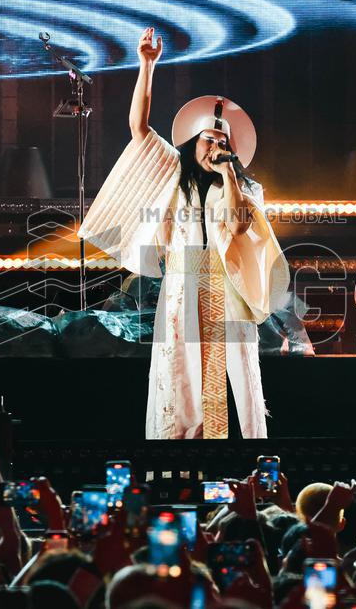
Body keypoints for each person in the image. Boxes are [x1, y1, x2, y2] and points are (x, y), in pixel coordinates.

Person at [79, 27, 289, 439]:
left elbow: (239, 225)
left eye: (222, 142)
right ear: (193, 142)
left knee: (236, 379)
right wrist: (147, 65)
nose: (214, 147)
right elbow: (139, 128)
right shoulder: (174, 173)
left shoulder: (246, 189)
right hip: (183, 286)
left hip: (229, 291)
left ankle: (241, 462)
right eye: (208, 139)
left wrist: (229, 173)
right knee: (181, 378)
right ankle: (180, 459)